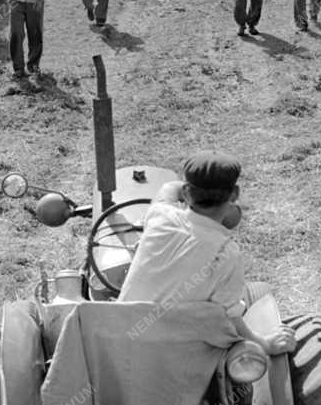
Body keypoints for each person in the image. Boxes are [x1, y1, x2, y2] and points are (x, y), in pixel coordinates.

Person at [117, 151, 296, 356]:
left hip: (121, 342)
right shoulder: (228, 254)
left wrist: (184, 189)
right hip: (174, 355)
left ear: (187, 192)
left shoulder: (160, 217)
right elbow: (230, 318)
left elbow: (166, 190)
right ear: (235, 194)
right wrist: (265, 345)